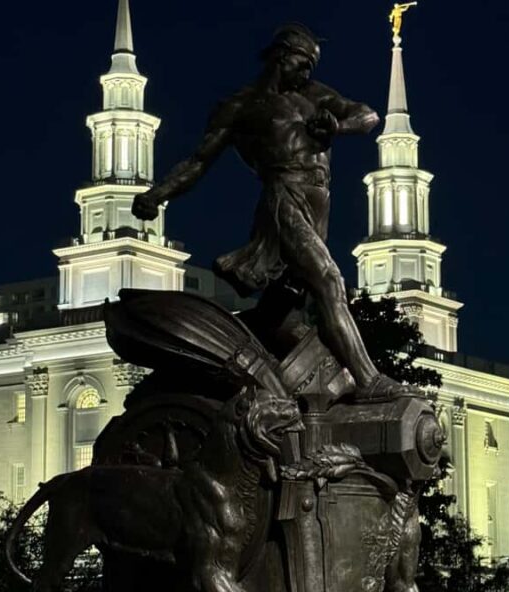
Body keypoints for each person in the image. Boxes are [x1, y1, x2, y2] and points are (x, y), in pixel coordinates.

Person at [132, 23, 416, 401]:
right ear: (282, 57)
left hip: (319, 204)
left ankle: (191, 368)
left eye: (312, 65)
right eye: (302, 63)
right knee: (329, 282)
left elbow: (367, 116)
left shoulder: (315, 96)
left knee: (285, 313)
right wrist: (157, 195)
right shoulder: (242, 107)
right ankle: (370, 382)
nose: (307, 73)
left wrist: (338, 125)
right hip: (285, 200)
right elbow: (198, 162)